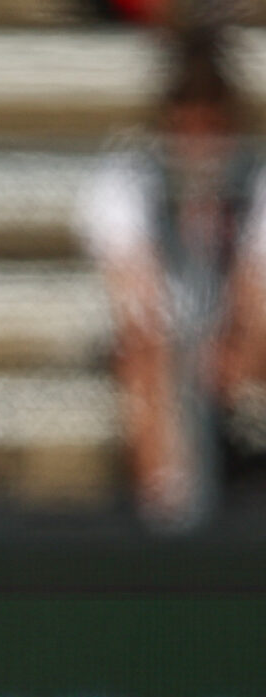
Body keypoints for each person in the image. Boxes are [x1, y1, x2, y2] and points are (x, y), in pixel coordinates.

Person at [76, 23, 266, 529]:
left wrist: (232, 349)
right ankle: (170, 516)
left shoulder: (258, 182)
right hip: (166, 340)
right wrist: (187, 354)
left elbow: (257, 292)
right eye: (188, 122)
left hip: (234, 344)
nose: (199, 142)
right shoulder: (125, 180)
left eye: (212, 125)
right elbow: (134, 295)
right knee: (145, 355)